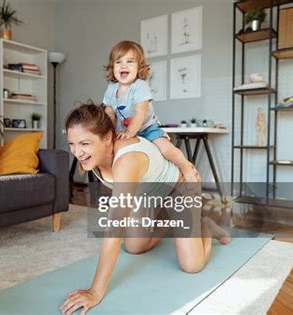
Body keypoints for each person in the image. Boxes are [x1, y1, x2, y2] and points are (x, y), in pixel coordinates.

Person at [60, 103, 230, 315]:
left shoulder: (126, 161)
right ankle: (174, 224)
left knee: (192, 266)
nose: (77, 152)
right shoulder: (94, 157)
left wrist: (96, 291)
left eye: (84, 143)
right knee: (134, 247)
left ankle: (205, 225)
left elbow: (114, 229)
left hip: (177, 189)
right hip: (148, 198)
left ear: (107, 138)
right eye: (72, 144)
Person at [102, 40, 199, 182]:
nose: (124, 65)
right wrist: (109, 133)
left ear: (139, 67)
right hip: (123, 131)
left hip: (147, 128)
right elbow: (109, 113)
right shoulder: (111, 89)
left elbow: (140, 112)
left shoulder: (140, 87)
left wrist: (130, 132)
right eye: (118, 62)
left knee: (165, 148)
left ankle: (186, 167)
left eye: (130, 61)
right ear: (112, 67)